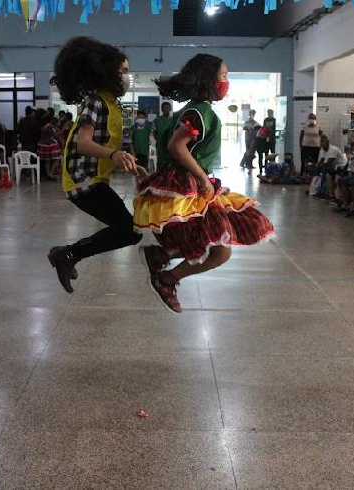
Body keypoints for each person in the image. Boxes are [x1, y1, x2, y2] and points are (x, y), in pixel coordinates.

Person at [132, 54, 274, 313]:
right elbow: (177, 147)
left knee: (209, 243)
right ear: (209, 80)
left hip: (191, 183)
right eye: (224, 76)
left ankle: (162, 260)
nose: (226, 82)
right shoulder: (200, 112)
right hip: (188, 185)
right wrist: (201, 177)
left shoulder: (195, 109)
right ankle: (166, 277)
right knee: (220, 251)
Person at [46, 36, 141, 293]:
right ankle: (66, 254)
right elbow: (82, 142)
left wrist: (130, 163)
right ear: (108, 72)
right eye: (123, 71)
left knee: (129, 230)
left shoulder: (112, 104)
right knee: (128, 230)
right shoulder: (95, 101)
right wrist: (113, 155)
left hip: (95, 180)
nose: (127, 76)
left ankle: (67, 254)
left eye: (128, 71)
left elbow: (110, 144)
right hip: (81, 180)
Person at [37, 112, 63, 180]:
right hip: (50, 144)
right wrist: (62, 131)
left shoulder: (43, 125)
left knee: (47, 160)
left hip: (43, 144)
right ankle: (51, 173)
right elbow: (55, 135)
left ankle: (48, 174)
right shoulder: (50, 126)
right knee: (57, 158)